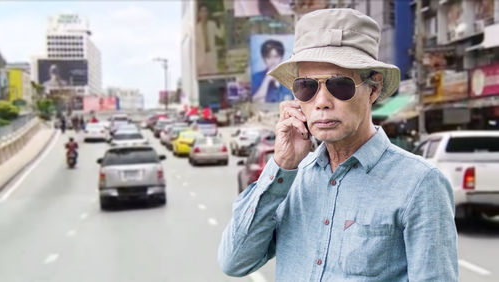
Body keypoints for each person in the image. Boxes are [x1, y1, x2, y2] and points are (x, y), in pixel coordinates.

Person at [219, 9, 458, 281]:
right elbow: (233, 261)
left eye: (339, 85)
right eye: (307, 87)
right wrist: (281, 165)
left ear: (373, 89)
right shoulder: (292, 178)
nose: (321, 101)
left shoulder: (420, 183)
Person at [195, 4, 224, 76]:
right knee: (203, 76)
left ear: (208, 13)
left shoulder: (212, 24)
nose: (204, 13)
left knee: (214, 74)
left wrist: (222, 23)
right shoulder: (195, 28)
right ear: (199, 14)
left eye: (205, 11)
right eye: (202, 11)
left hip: (211, 55)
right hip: (201, 57)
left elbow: (220, 35)